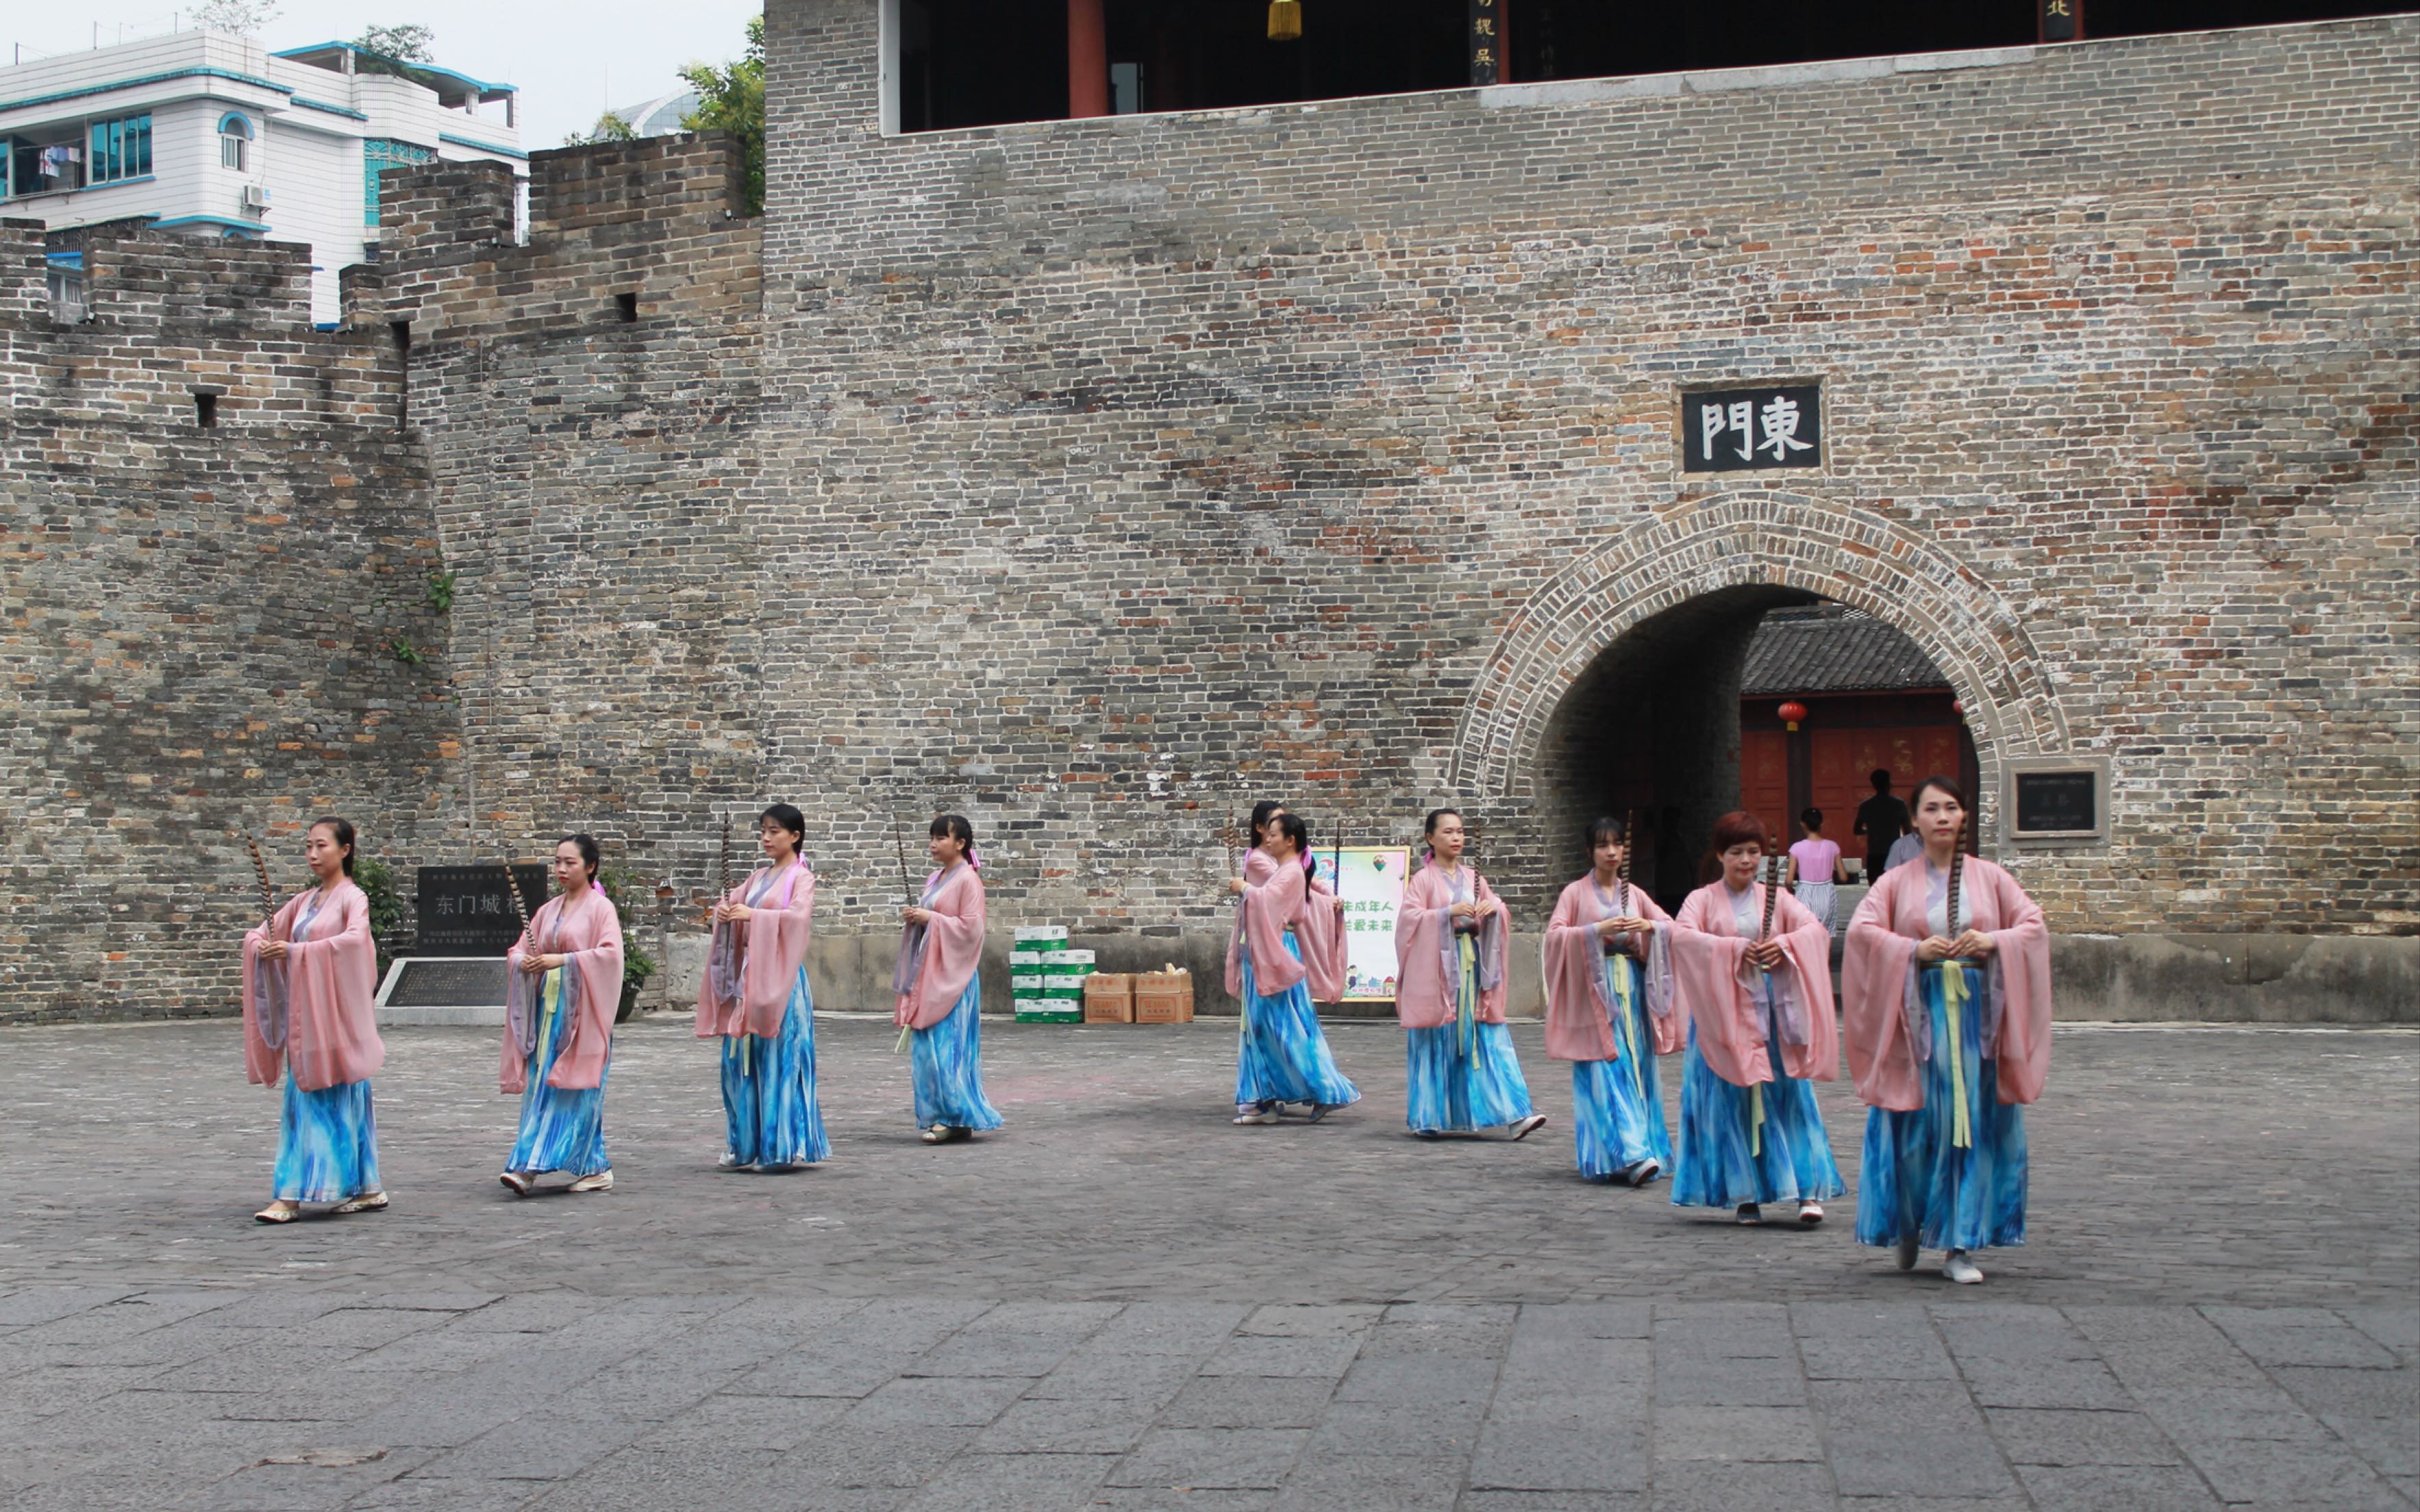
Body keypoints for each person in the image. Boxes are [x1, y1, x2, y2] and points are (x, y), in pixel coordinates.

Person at [1843, 775, 2051, 1285]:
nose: (1941, 817)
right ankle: (1909, 1222)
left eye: (1951, 808)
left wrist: (1992, 939)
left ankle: (1959, 1242)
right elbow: (1862, 932)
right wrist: (1912, 950)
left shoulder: (1992, 879)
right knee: (1917, 1128)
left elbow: (2033, 926)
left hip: (1976, 1019)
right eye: (1930, 809)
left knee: (1969, 1124)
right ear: (1912, 820)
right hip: (1917, 1020)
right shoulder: (1893, 883)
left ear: (1963, 818)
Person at [1667, 810, 1844, 1224]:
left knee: (1792, 1097)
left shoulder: (1778, 898)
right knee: (1732, 1100)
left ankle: (1807, 1190)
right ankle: (1744, 1193)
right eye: (1736, 852)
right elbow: (1684, 937)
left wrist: (1783, 945)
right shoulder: (1703, 899)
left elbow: (1814, 931)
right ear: (1720, 855)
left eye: (1753, 853)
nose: (1746, 861)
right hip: (1724, 1014)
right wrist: (1731, 950)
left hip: (1775, 1011)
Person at [241, 817, 386, 1224]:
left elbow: (355, 942)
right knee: (312, 1095)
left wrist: (296, 953)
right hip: (308, 1017)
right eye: (308, 846)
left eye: (321, 846)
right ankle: (367, 1186)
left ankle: (293, 1194)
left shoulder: (352, 897)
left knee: (335, 1096)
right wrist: (264, 946)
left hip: (337, 1017)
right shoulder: (304, 902)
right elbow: (262, 933)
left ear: (344, 850)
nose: (312, 854)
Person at [1393, 809, 1548, 1141]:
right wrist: (1447, 913)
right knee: (1437, 1040)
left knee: (1488, 1038)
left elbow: (1496, 906)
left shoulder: (1474, 877)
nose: (1456, 838)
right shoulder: (1423, 880)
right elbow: (1409, 920)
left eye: (1460, 832)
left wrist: (1495, 911)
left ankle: (1516, 1114)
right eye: (1448, 832)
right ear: (1430, 838)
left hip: (1472, 968)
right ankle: (1429, 1115)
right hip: (1438, 975)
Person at [1540, 817, 1677, 1185]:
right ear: (1590, 852)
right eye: (1603, 845)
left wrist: (1648, 929)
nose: (1612, 852)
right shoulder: (1574, 893)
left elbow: (1673, 929)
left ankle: (1645, 1148)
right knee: (1606, 1069)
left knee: (1635, 1067)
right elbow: (1554, 937)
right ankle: (1628, 1153)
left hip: (1631, 992)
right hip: (1594, 996)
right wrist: (1596, 932)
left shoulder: (1635, 894)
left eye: (1617, 844)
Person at [699, 803, 829, 1171]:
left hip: (782, 981)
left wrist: (753, 916)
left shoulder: (801, 878)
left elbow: (797, 918)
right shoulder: (757, 878)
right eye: (763, 831)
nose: (766, 838)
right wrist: (724, 912)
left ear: (795, 836)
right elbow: (731, 903)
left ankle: (779, 1147)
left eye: (774, 831)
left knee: (779, 1060)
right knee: (738, 1061)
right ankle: (744, 1143)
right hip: (750, 978)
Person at [499, 835, 625, 1195]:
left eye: (570, 863)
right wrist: (526, 962)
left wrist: (564, 960)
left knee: (576, 1089)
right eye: (558, 862)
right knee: (543, 1086)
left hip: (581, 1016)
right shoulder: (547, 910)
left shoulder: (601, 909)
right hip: (547, 1015)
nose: (561, 869)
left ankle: (527, 1166)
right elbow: (518, 949)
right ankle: (594, 1165)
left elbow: (610, 956)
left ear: (590, 867)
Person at [1225, 811, 1360, 1124]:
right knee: (1268, 1027)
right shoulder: (1285, 869)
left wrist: (1244, 889)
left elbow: (1270, 902)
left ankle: (1324, 1090)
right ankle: (1265, 1100)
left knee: (1282, 1027)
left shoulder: (1289, 872)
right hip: (1269, 948)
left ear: (1291, 840)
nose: (1268, 839)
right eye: (1267, 832)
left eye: (1274, 834)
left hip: (1277, 951)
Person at [894, 814, 1003, 1144]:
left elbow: (972, 929)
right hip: (930, 972)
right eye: (932, 837)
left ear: (961, 844)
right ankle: (942, 1114)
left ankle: (955, 1116)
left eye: (942, 838)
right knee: (928, 1050)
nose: (934, 843)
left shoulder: (968, 880)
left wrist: (931, 918)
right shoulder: (935, 878)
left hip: (956, 977)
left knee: (949, 1049)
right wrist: (920, 919)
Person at [1786, 808, 1847, 934]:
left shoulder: (1796, 848)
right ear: (1822, 824)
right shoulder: (1833, 846)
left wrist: (1791, 890)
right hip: (1827, 894)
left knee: (1804, 934)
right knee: (1824, 935)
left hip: (1804, 893)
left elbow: (1789, 880)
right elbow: (1844, 877)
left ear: (1802, 824)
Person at [1853, 769, 1910, 880]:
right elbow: (1908, 831)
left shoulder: (1866, 805)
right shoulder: (1899, 805)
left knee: (1876, 890)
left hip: (1874, 854)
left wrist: (1871, 830)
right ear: (1889, 783)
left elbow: (1857, 830)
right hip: (1894, 853)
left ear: (1874, 785)